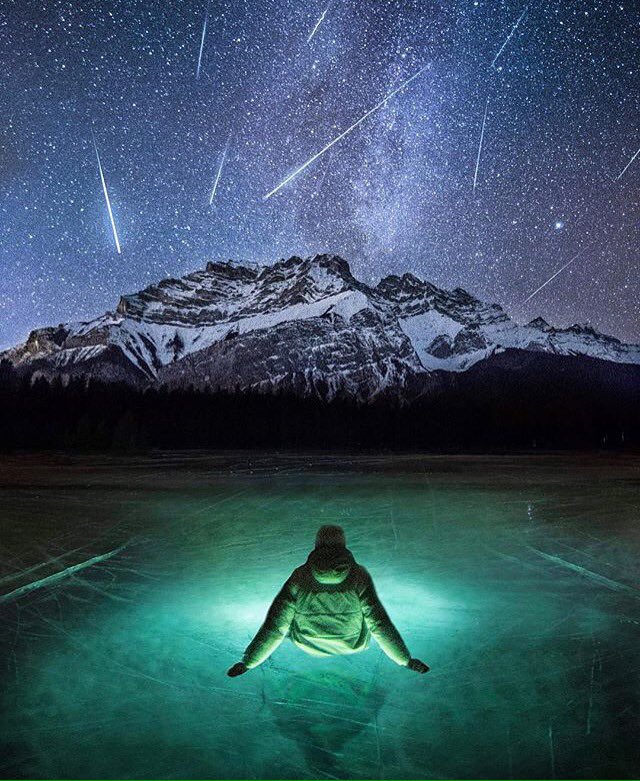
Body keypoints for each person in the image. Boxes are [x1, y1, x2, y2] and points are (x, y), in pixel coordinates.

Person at [227, 524, 429, 677]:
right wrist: (405, 660)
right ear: (343, 545)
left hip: (307, 643)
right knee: (369, 617)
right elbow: (378, 623)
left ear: (317, 545)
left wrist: (249, 663)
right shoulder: (358, 575)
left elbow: (276, 624)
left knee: (288, 616)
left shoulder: (300, 575)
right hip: (351, 644)